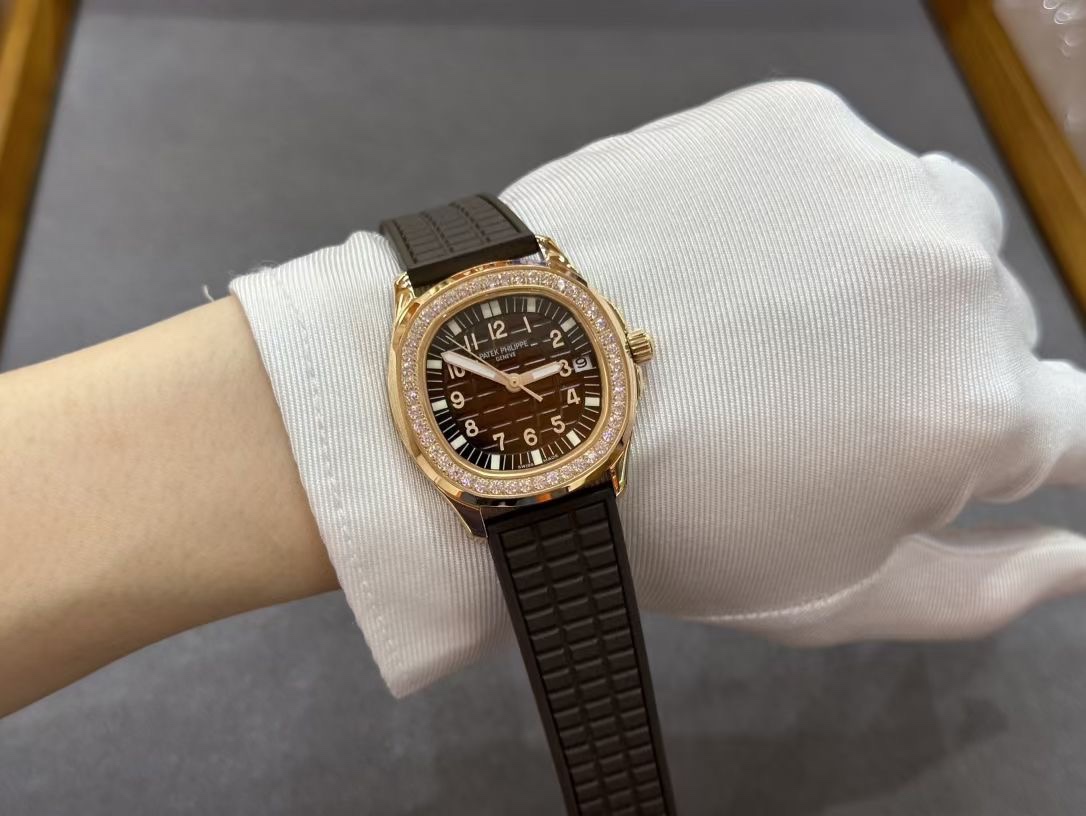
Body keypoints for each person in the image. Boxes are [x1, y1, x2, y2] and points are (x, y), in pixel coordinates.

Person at [1, 80, 1084, 716]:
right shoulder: (471, 335)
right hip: (503, 430)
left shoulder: (563, 338)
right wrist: (331, 384)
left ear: (622, 346)